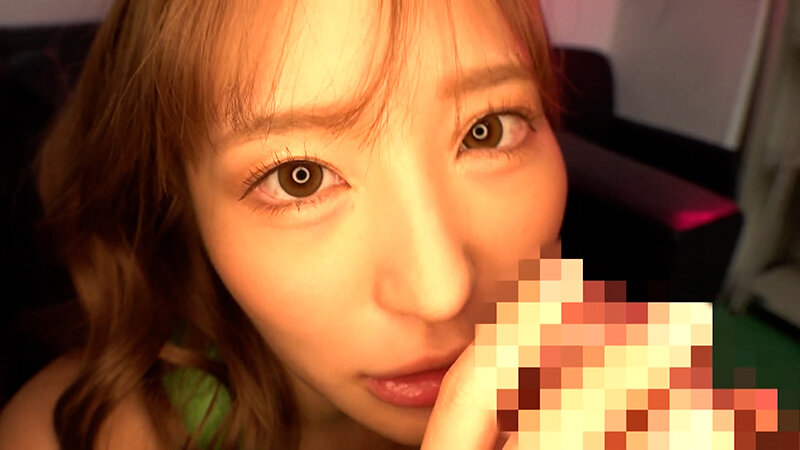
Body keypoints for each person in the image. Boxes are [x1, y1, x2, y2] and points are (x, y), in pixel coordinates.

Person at [0, 0, 566, 448]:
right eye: (300, 177)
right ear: (181, 202)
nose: (441, 293)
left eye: (487, 130)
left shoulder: (596, 391)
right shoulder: (72, 435)